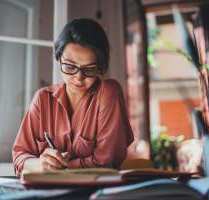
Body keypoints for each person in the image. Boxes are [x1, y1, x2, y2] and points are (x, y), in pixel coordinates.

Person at [12, 18, 134, 177]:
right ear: (58, 58)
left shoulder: (108, 93)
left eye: (89, 70)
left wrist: (59, 167)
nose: (78, 78)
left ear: (100, 67)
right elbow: (20, 156)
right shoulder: (43, 99)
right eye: (70, 67)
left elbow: (105, 161)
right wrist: (40, 164)